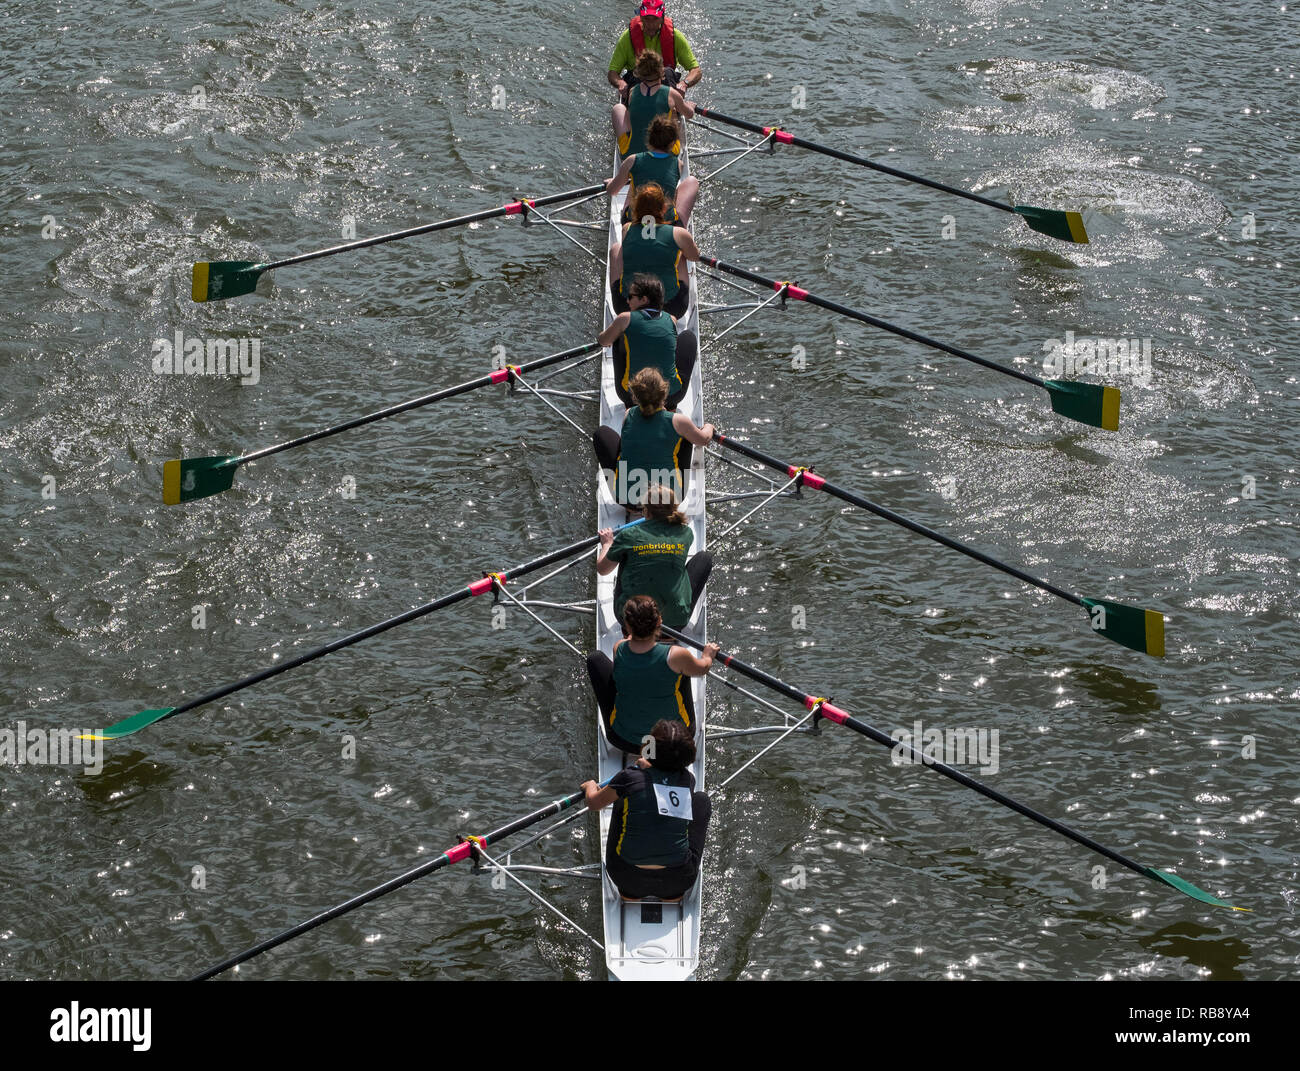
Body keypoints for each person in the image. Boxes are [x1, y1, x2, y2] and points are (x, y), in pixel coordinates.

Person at [582, 719, 711, 902]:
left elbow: (593, 804)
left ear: (650, 747)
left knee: (622, 798)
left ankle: (630, 895)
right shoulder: (687, 780)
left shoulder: (629, 778)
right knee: (701, 800)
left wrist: (590, 786)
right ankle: (672, 897)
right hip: (678, 880)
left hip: (626, 877)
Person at [585, 595, 719, 754]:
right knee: (681, 670)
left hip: (624, 740)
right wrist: (708, 655)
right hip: (671, 741)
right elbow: (703, 668)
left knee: (596, 659)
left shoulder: (618, 648)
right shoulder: (676, 655)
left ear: (627, 626)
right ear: (659, 622)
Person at [592, 367, 714, 509]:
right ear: (664, 393)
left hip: (627, 499)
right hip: (668, 501)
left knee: (601, 434)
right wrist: (709, 427)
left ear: (635, 396)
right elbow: (704, 439)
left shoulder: (628, 414)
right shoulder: (680, 422)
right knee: (687, 436)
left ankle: (634, 506)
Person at [597, 483, 712, 630]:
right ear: (674, 508)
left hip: (631, 622)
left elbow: (603, 569)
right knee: (704, 558)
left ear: (646, 511)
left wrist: (607, 544)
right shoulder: (686, 533)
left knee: (626, 554)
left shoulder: (629, 534)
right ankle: (670, 621)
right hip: (675, 624)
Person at [597, 273, 697, 410]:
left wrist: (608, 335)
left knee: (619, 336)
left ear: (643, 299)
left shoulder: (624, 318)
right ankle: (672, 407)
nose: (627, 301)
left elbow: (603, 341)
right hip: (670, 396)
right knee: (688, 337)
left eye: (631, 297)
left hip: (632, 396)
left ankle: (630, 406)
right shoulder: (672, 319)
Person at [610, 183, 698, 319]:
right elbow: (694, 257)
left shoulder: (626, 228)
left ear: (635, 209)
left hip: (626, 306)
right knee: (681, 255)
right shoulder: (679, 233)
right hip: (671, 308)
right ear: (664, 209)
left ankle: (624, 286)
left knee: (616, 249)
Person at [607, 114, 700, 226]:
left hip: (635, 222)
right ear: (673, 143)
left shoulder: (632, 160)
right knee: (692, 181)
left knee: (633, 185)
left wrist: (610, 184)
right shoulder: (679, 164)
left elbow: (612, 191)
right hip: (667, 223)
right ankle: (680, 230)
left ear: (650, 138)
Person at [607, 0, 703, 100]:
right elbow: (612, 72)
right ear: (640, 17)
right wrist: (620, 83)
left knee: (668, 73)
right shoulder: (627, 37)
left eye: (655, 19)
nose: (650, 24)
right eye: (647, 19)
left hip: (665, 87)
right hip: (636, 88)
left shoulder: (675, 37)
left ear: (662, 18)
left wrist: (684, 83)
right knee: (635, 76)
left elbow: (696, 70)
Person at [612, 51, 694, 160]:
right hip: (667, 154)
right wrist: (689, 106)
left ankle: (627, 144)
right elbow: (689, 114)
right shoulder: (671, 93)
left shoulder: (633, 91)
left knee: (618, 108)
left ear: (639, 72)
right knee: (673, 111)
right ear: (662, 71)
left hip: (631, 154)